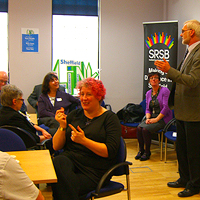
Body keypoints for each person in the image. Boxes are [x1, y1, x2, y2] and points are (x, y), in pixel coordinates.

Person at [51, 77, 121, 200]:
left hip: (94, 170)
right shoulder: (75, 115)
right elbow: (56, 146)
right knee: (58, 161)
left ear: (99, 97)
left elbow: (110, 151)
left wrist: (84, 141)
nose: (83, 98)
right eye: (82, 94)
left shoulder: (110, 119)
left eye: (89, 94)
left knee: (62, 185)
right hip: (71, 161)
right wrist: (62, 127)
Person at [154, 19, 200, 198]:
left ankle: (195, 184)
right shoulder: (189, 52)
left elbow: (193, 81)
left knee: (193, 152)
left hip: (194, 113)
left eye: (183, 30)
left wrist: (169, 70)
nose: (181, 34)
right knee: (181, 149)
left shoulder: (199, 54)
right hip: (182, 111)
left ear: (192, 33)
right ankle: (184, 178)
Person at [135, 72, 172, 161]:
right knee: (139, 128)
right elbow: (148, 109)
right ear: (149, 81)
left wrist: (156, 119)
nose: (153, 80)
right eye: (151, 78)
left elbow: (166, 107)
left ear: (159, 80)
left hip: (163, 118)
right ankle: (141, 150)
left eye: (155, 78)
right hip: (152, 117)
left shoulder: (165, 91)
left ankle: (147, 152)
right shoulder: (148, 93)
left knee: (145, 129)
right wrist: (148, 118)